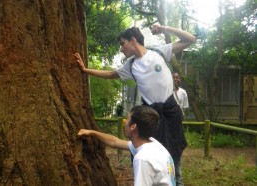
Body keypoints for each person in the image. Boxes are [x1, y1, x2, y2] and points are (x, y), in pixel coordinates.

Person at [75, 24, 196, 186]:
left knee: (174, 158)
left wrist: (164, 28)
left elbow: (191, 39)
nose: (121, 48)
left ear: (133, 40)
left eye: (122, 43)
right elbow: (111, 74)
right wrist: (85, 70)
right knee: (145, 152)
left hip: (171, 112)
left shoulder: (159, 52)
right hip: (151, 116)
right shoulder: (131, 65)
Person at [78, 105, 176, 186]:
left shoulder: (143, 159)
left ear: (133, 126)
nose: (124, 122)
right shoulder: (153, 144)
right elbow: (115, 142)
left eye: (127, 120)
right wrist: (92, 132)